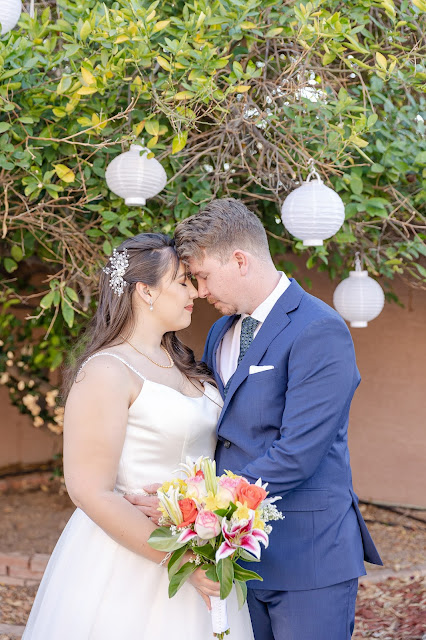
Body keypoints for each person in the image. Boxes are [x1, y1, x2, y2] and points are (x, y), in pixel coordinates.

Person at [23, 233, 254, 640]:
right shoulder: (107, 371)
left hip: (200, 541)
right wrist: (181, 561)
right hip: (131, 558)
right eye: (182, 281)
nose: (195, 293)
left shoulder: (185, 364)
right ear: (145, 290)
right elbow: (89, 490)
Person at [172, 198, 383, 640]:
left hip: (308, 553)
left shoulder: (319, 329)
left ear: (240, 260)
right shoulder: (220, 331)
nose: (201, 291)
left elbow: (298, 452)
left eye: (204, 276)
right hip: (237, 555)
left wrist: (205, 507)